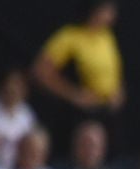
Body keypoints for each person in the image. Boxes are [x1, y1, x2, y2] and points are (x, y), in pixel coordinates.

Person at [31, 3, 125, 150]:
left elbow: (113, 72)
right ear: (94, 10)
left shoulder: (107, 37)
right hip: (77, 117)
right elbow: (39, 71)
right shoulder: (70, 36)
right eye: (106, 10)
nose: (111, 16)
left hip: (104, 115)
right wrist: (73, 94)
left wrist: (118, 91)